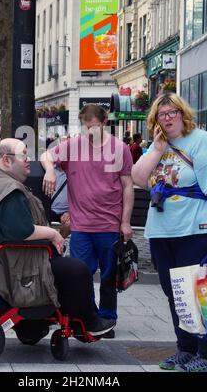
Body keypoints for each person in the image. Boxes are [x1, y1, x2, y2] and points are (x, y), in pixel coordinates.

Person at [0, 138, 115, 337]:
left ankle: (33, 327)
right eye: (23, 156)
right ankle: (87, 322)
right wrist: (54, 233)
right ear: (7, 161)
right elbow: (20, 231)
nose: (29, 160)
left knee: (64, 265)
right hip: (11, 265)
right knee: (77, 270)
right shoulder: (9, 191)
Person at [132, 93, 207, 373]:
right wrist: (156, 150)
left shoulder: (202, 141)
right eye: (162, 115)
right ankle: (186, 348)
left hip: (195, 228)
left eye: (172, 113)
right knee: (175, 293)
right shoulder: (158, 146)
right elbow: (137, 177)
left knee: (202, 292)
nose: (168, 118)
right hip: (162, 231)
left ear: (183, 114)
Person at [41, 104, 134, 338]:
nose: (89, 131)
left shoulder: (119, 148)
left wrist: (125, 222)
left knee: (108, 275)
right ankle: (88, 316)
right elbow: (46, 155)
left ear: (104, 123)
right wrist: (50, 171)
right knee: (81, 274)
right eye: (85, 126)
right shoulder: (74, 146)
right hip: (81, 225)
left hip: (109, 224)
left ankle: (108, 317)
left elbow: (127, 187)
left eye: (93, 126)